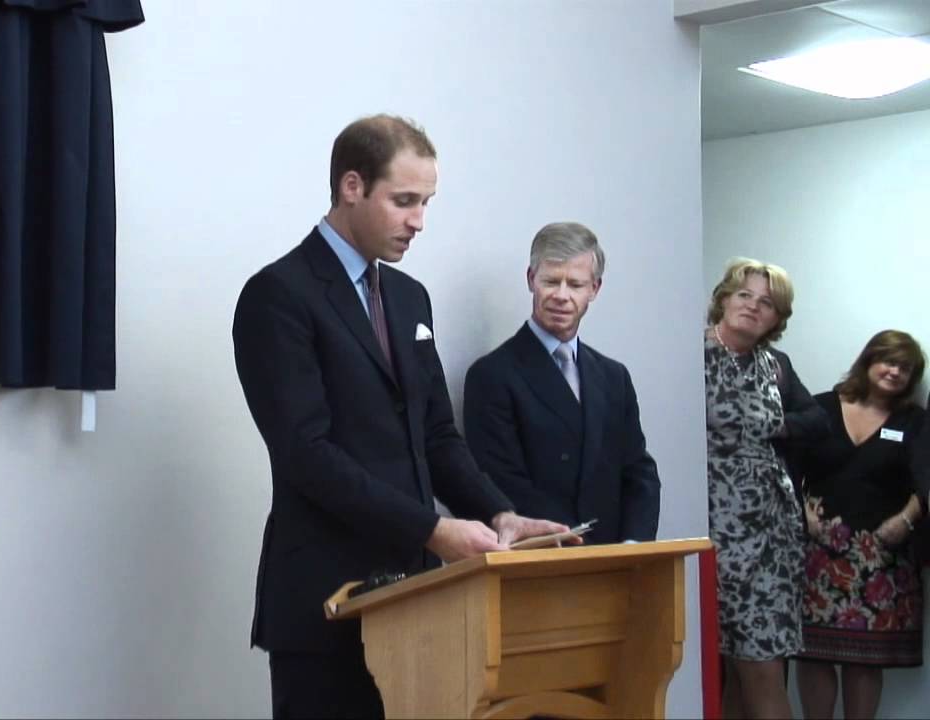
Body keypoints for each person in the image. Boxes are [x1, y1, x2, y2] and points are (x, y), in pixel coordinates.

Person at [231, 115, 572, 719]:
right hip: (325, 603)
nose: (419, 221)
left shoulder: (411, 297)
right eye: (405, 201)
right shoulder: (278, 294)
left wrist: (499, 511)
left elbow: (437, 435)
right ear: (352, 186)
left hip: (419, 602)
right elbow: (306, 453)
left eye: (427, 202)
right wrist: (433, 531)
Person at [462, 222, 661, 545]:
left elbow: (638, 472)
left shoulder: (614, 377)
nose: (562, 295)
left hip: (616, 563)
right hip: (542, 563)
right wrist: (569, 540)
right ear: (531, 280)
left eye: (575, 284)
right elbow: (501, 480)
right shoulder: (491, 375)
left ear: (594, 289)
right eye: (551, 281)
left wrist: (633, 544)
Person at [704, 257, 828, 719]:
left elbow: (817, 421)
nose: (753, 308)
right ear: (724, 298)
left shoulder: (776, 365)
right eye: (745, 296)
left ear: (778, 319)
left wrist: (776, 423)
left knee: (760, 664)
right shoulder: (688, 354)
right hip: (712, 526)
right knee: (728, 666)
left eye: (767, 303)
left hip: (773, 535)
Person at [794, 330, 926, 720]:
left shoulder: (914, 421)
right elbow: (784, 468)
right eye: (888, 361)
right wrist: (802, 511)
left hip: (883, 557)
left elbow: (927, 478)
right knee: (813, 654)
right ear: (868, 361)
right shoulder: (819, 408)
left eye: (905, 367)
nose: (894, 371)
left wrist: (906, 518)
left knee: (864, 660)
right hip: (817, 552)